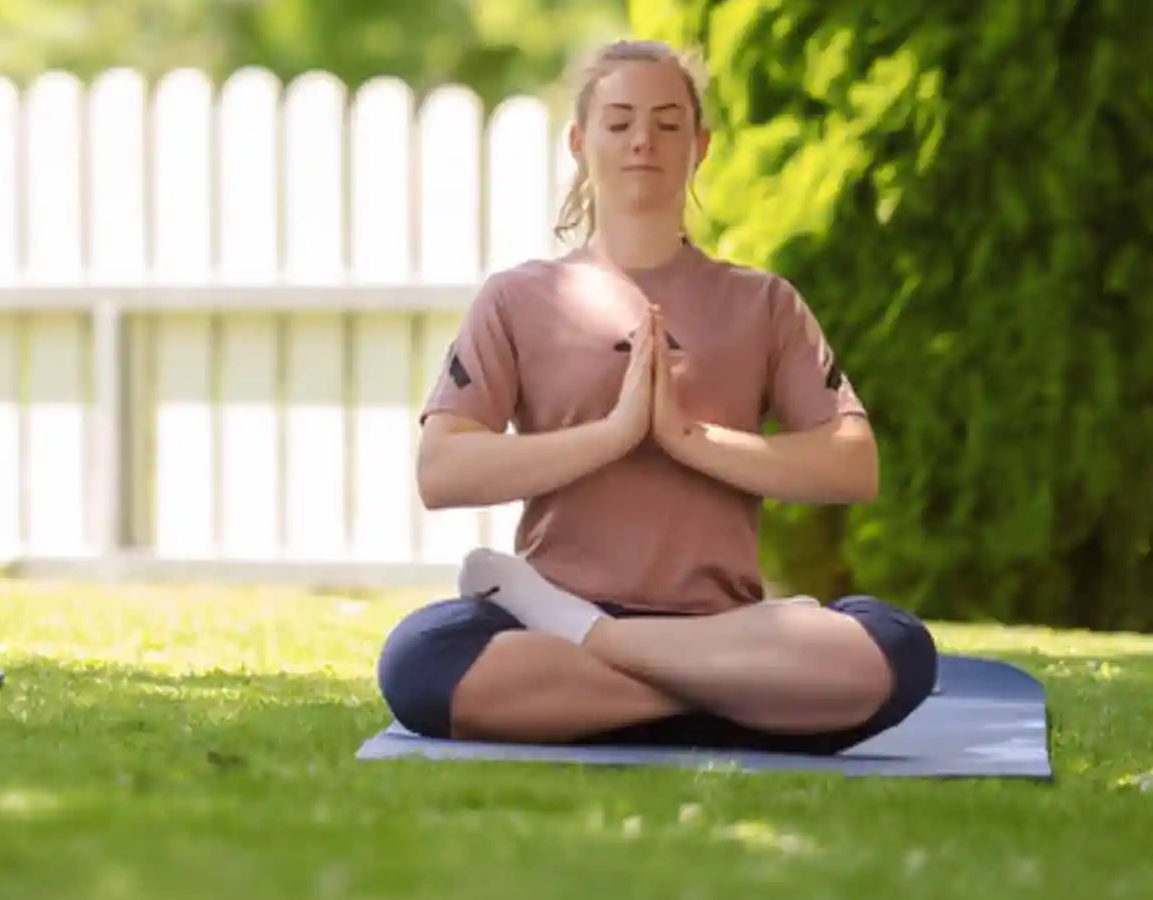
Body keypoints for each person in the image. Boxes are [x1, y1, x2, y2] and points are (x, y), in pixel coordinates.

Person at [377, 39, 936, 752]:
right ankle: (746, 700)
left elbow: (852, 465)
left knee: (899, 647)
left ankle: (611, 655)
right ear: (580, 142)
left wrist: (688, 440)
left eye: (669, 123)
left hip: (712, 627)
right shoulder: (518, 298)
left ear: (699, 146)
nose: (644, 139)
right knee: (421, 660)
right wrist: (612, 436)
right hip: (565, 626)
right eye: (619, 122)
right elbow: (442, 470)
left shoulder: (763, 302)